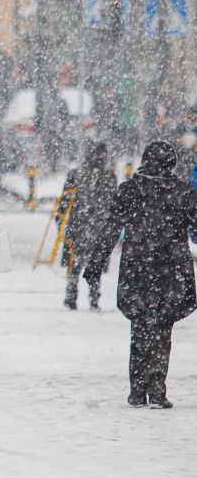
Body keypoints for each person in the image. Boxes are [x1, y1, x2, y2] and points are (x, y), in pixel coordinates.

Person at [87, 141, 197, 408]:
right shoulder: (183, 194)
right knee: (162, 328)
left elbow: (110, 229)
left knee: (140, 328)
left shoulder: (131, 191)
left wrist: (95, 264)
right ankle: (157, 389)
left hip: (138, 269)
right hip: (171, 271)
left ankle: (137, 389)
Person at [58, 141, 118, 311]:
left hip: (77, 226)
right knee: (95, 265)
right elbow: (114, 204)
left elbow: (64, 203)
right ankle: (93, 298)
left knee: (74, 264)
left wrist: (61, 224)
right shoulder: (108, 177)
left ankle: (71, 296)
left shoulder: (75, 174)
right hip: (98, 228)